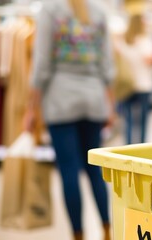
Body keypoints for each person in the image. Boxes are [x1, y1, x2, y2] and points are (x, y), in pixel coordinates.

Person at [24, 0, 115, 239]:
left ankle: (78, 234)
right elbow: (107, 63)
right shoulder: (97, 12)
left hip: (59, 98)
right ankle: (107, 230)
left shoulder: (50, 9)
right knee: (95, 170)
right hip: (94, 97)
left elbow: (41, 62)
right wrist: (111, 105)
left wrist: (31, 107)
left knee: (68, 170)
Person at [113, 14, 152, 144]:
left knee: (128, 119)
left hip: (127, 85)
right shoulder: (145, 40)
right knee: (142, 120)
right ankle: (141, 146)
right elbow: (149, 60)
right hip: (144, 85)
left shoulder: (123, 41)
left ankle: (128, 146)